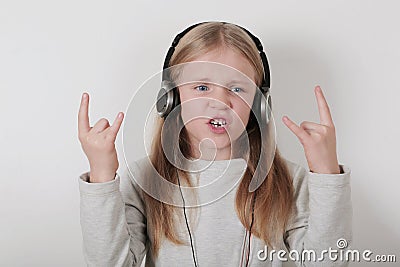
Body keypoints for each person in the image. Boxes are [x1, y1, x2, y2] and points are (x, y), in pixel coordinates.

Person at [77, 21, 352, 267]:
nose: (220, 102)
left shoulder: (288, 180)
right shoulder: (143, 181)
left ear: (259, 105)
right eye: (201, 87)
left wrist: (326, 174)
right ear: (170, 99)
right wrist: (102, 176)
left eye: (237, 88)